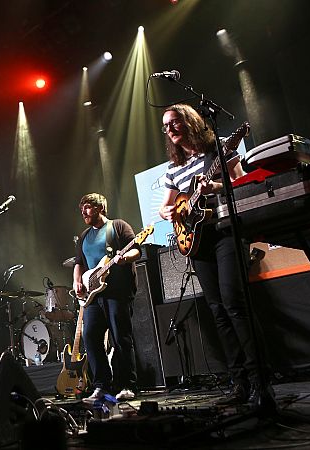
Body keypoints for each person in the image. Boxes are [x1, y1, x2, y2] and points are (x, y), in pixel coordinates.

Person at [158, 103, 260, 404]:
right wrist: (172, 212)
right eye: (165, 127)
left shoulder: (219, 149)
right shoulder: (173, 170)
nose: (170, 130)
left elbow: (243, 184)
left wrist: (215, 186)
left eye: (174, 122)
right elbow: (167, 207)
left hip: (226, 232)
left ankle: (258, 382)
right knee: (217, 310)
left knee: (235, 304)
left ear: (190, 121)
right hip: (197, 242)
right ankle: (239, 383)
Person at [73, 193, 140, 402]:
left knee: (121, 337)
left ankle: (127, 384)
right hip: (93, 295)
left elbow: (136, 250)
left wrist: (123, 258)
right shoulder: (84, 236)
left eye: (87, 207)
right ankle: (101, 385)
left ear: (100, 207)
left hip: (117, 292)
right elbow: (79, 263)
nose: (83, 211)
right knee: (90, 337)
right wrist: (77, 282)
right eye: (81, 207)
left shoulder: (118, 226)